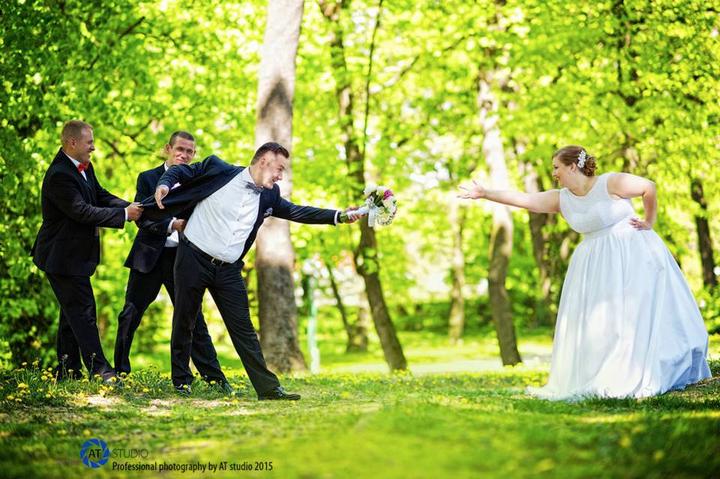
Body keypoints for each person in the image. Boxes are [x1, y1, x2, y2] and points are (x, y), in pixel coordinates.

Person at [459, 145, 711, 400]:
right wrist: (486, 193)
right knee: (603, 322)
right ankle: (610, 371)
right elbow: (526, 200)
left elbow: (648, 187)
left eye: (556, 167)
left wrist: (649, 220)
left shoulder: (610, 182)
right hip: (595, 264)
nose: (554, 173)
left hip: (632, 253)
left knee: (639, 312)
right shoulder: (561, 199)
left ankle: (652, 365)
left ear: (572, 166)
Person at [141, 142, 363, 399]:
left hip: (228, 269)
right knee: (185, 320)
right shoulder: (218, 169)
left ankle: (268, 389)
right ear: (264, 161)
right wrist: (164, 184)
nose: (280, 176)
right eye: (279, 169)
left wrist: (339, 216)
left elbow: (296, 211)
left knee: (244, 328)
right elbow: (181, 171)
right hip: (193, 258)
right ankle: (182, 381)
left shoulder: (270, 194)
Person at [114, 131, 230, 392]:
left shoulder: (198, 181)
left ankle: (215, 379)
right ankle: (119, 372)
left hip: (183, 260)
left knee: (193, 319)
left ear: (194, 154)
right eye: (180, 149)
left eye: (189, 151)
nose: (184, 155)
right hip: (149, 257)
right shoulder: (147, 178)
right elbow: (142, 218)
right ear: (168, 148)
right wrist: (172, 225)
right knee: (130, 314)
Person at [32, 120, 143, 382]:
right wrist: (124, 215)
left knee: (71, 315)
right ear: (73, 143)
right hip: (61, 257)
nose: (93, 147)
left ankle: (67, 371)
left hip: (75, 257)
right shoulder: (59, 175)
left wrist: (131, 207)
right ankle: (101, 371)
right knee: (83, 312)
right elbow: (82, 211)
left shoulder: (84, 167)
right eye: (89, 142)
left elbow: (100, 195)